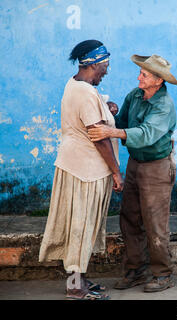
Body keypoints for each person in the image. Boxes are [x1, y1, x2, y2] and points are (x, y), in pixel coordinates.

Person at [39, 40, 124, 300]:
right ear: (93, 64)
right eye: (105, 66)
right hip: (85, 172)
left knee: (84, 226)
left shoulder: (77, 86)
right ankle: (76, 286)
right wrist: (116, 172)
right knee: (81, 227)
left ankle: (81, 279)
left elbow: (91, 117)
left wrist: (107, 110)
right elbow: (98, 136)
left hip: (79, 167)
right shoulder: (85, 92)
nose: (106, 72)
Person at [88, 54, 177, 293]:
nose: (139, 77)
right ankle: (135, 270)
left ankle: (163, 274)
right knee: (129, 218)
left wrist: (110, 132)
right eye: (140, 73)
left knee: (155, 223)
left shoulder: (164, 105)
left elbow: (147, 133)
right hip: (136, 163)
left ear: (158, 81)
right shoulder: (135, 95)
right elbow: (121, 122)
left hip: (157, 167)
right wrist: (110, 114)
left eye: (144, 75)